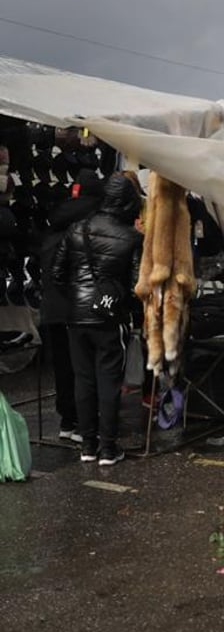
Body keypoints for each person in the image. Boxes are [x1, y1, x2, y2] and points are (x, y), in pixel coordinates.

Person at [50, 173, 142, 465]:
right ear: (128, 203)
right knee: (108, 380)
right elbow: (137, 285)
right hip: (109, 317)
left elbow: (57, 273)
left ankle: (88, 445)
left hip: (76, 316)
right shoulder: (132, 238)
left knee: (84, 380)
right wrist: (119, 302)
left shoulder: (78, 229)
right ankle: (108, 447)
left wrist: (78, 296)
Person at [38, 170, 104, 441]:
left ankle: (68, 420)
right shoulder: (82, 233)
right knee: (82, 367)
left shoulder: (53, 230)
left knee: (63, 367)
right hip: (73, 310)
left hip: (52, 309)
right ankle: (78, 421)